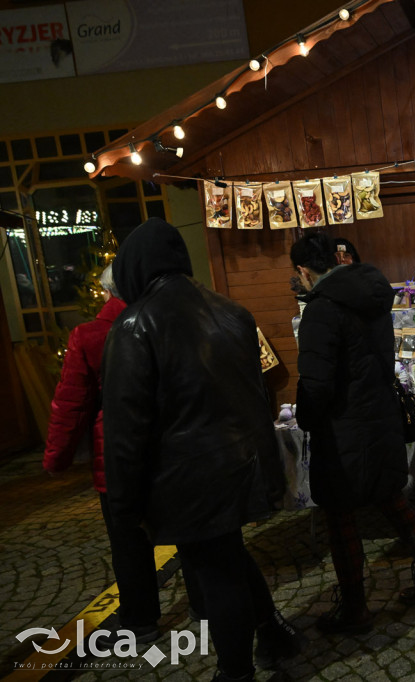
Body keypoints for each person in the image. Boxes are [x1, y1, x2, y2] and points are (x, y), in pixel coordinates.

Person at [102, 217, 302, 682]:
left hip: (187, 477)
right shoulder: (231, 311)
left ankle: (235, 672)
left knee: (217, 575)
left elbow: (126, 430)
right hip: (241, 462)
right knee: (226, 555)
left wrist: (123, 503)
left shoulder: (134, 325)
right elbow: (257, 396)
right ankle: (272, 631)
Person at [290, 232, 415, 635]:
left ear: (303, 271)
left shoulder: (322, 310)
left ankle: (355, 608)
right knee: (390, 497)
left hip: (341, 427)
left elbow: (316, 383)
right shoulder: (370, 295)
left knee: (341, 515)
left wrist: (307, 417)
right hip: (379, 417)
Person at [43, 265, 162, 646]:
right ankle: (206, 605)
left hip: (113, 457)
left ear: (107, 291)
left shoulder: (90, 335)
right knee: (183, 527)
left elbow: (71, 404)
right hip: (166, 449)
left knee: (128, 542)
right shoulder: (159, 321)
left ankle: (140, 621)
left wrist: (55, 459)